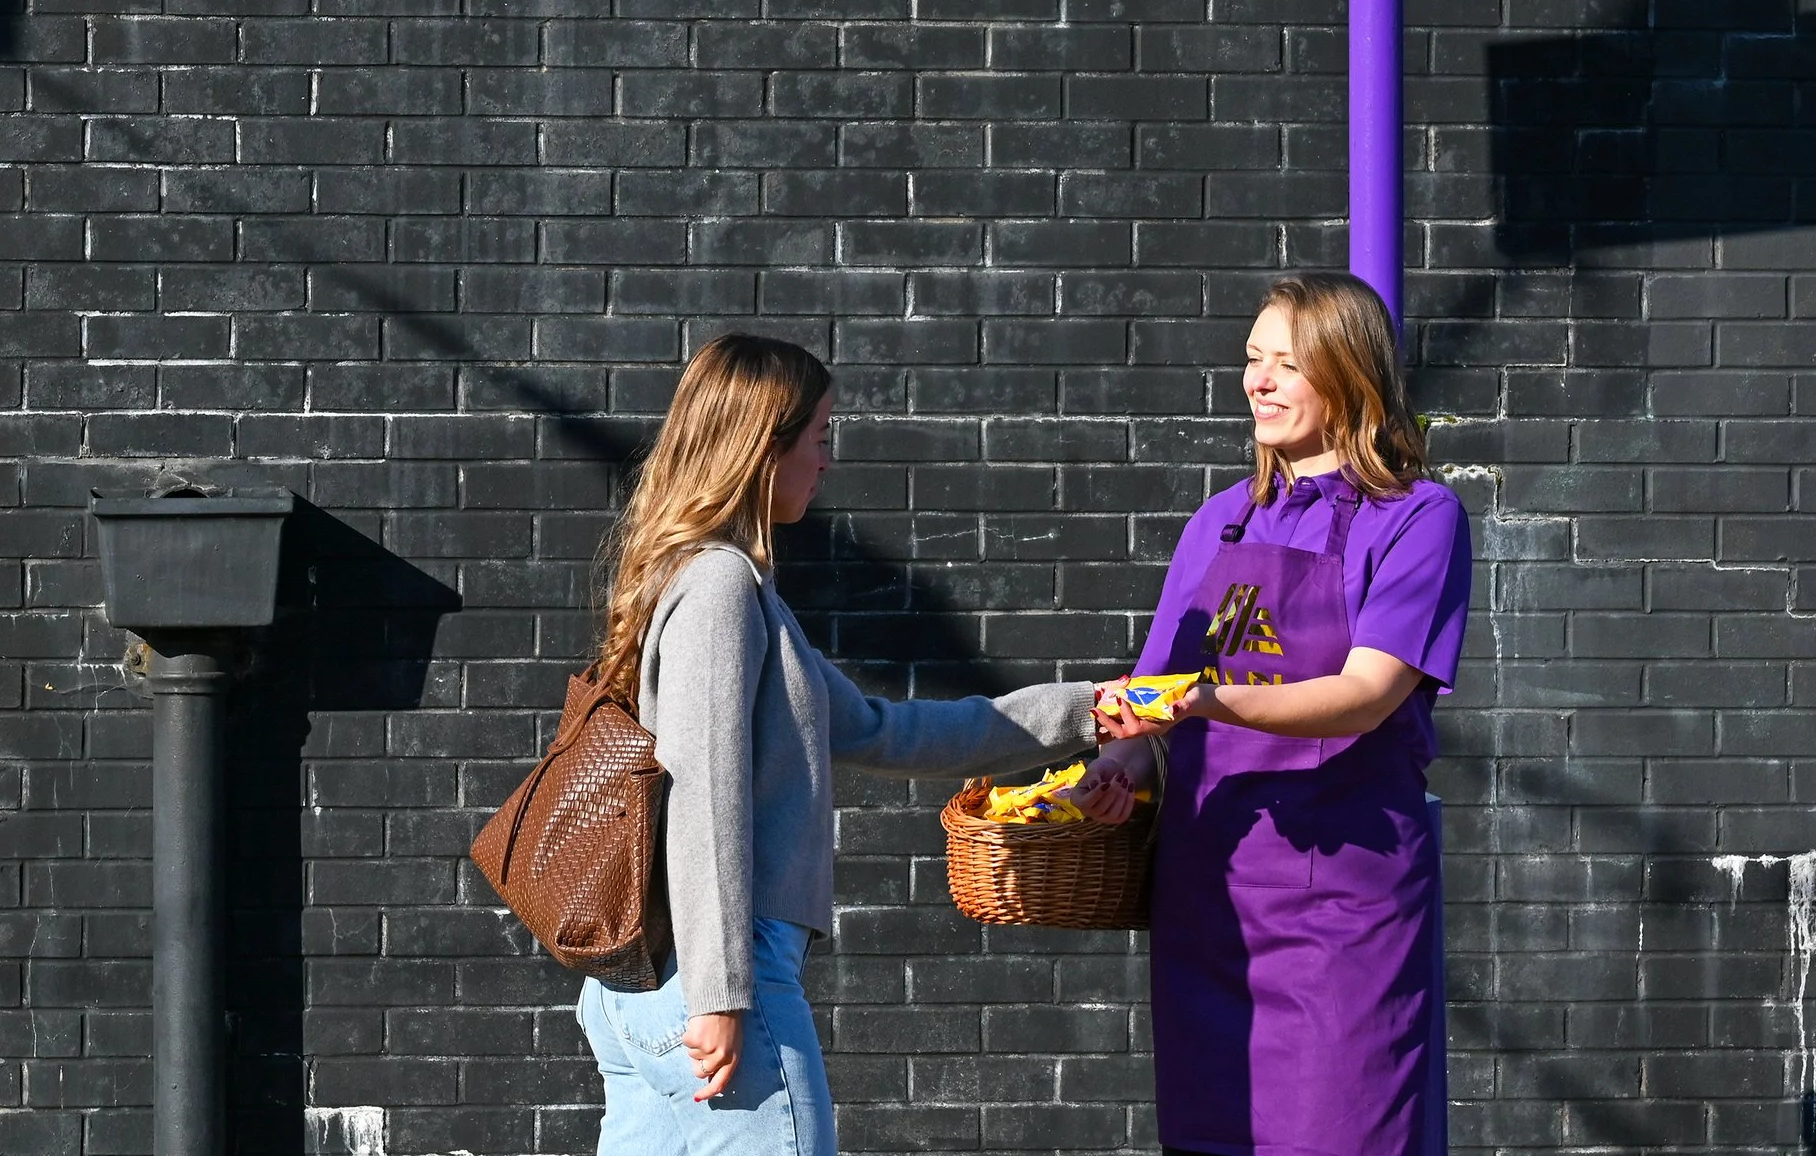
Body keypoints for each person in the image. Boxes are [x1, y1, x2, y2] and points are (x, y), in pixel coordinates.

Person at [577, 333, 1110, 1156]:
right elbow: (702, 795)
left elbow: (881, 729)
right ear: (765, 448)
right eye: (820, 437)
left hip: (648, 984)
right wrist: (720, 993)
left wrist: (1084, 712)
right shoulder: (719, 587)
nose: (826, 462)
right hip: (712, 977)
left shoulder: (724, 588)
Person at [1086, 272, 1473, 1156]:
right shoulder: (1218, 521)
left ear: (1349, 376)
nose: (1257, 381)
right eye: (1252, 360)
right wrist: (1119, 766)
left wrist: (1210, 700)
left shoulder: (1418, 517)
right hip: (1212, 900)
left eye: (1286, 364)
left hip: (1344, 907)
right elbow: (1155, 699)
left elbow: (1370, 693)